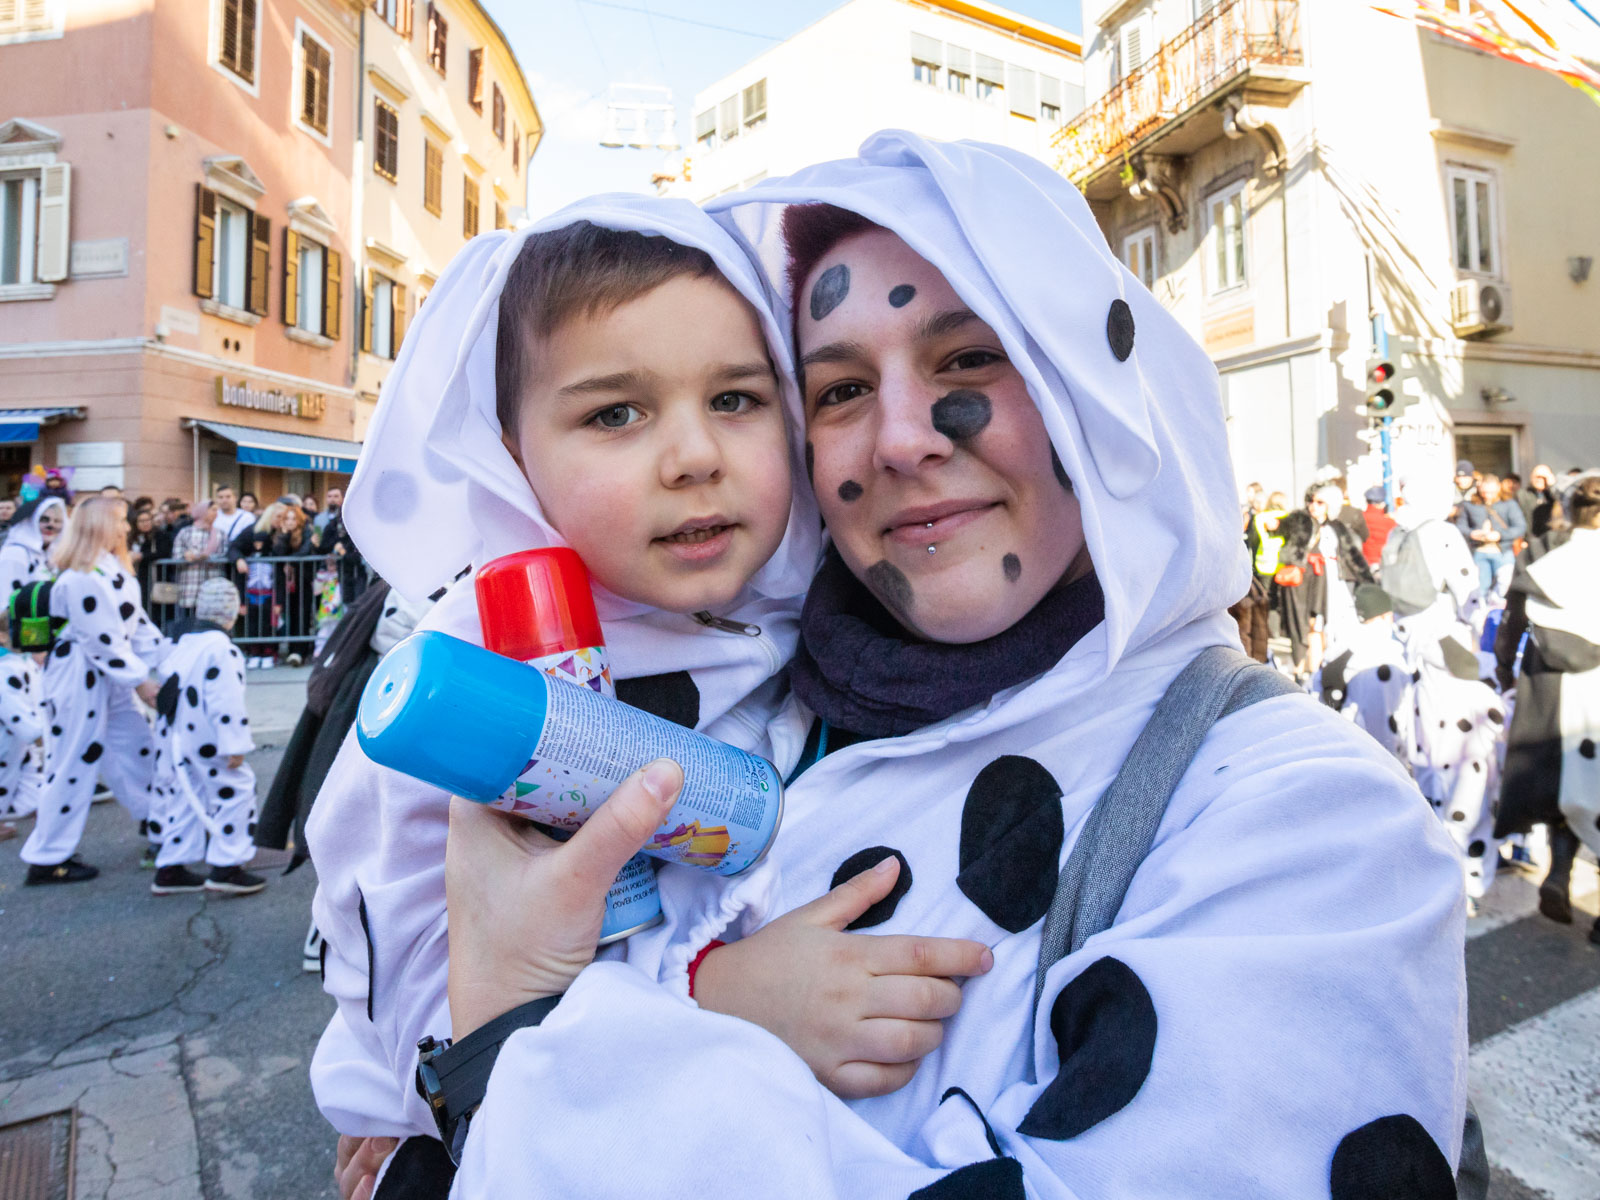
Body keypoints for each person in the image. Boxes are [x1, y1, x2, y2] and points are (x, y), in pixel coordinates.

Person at [413, 136, 1468, 1200]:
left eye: (968, 360)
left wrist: (517, 1040)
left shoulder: (1300, 811)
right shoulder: (747, 715)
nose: (901, 440)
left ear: (1090, 388)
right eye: (837, 391)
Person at [307, 202, 825, 1188]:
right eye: (614, 414)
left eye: (737, 399)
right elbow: (398, 941)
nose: (693, 456)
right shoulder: (477, 673)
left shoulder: (810, 619)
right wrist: (711, 993)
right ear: (508, 451)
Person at [19, 498, 166, 883]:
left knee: (137, 747)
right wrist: (143, 681)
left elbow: (137, 628)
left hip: (108, 677)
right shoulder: (82, 576)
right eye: (119, 521)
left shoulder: (113, 568)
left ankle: (158, 821)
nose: (127, 528)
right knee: (72, 763)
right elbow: (103, 640)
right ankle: (47, 857)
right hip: (78, 677)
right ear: (99, 525)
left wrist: (170, 660)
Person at [1494, 470, 1600, 944]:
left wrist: (1504, 668)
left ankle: (1559, 871)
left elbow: (1512, 617)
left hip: (1552, 684)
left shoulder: (1542, 552)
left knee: (1564, 776)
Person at [146, 578, 264, 897]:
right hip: (207, 737)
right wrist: (235, 744)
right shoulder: (222, 650)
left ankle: (171, 868)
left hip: (178, 736)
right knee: (235, 790)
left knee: (186, 795)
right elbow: (226, 700)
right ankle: (228, 865)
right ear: (230, 613)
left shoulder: (182, 644)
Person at [1453, 472, 1524, 599]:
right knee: (1480, 589)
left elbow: (1520, 527)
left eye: (1491, 492)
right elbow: (1460, 526)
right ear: (1479, 489)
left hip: (1503, 551)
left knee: (1504, 588)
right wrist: (1472, 533)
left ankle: (1498, 615)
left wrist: (1499, 535)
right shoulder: (1470, 505)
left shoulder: (1508, 504)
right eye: (1485, 492)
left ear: (1498, 488)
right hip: (1479, 551)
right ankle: (1481, 615)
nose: (1488, 496)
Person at [231, 501, 283, 667]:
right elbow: (234, 548)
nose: (281, 520)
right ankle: (253, 652)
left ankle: (269, 653)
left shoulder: (281, 533)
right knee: (253, 621)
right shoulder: (253, 531)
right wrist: (239, 559)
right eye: (278, 517)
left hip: (272, 585)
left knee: (270, 622)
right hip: (251, 584)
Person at [269, 503, 316, 666]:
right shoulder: (281, 534)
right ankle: (292, 650)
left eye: (293, 518)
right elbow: (278, 553)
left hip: (303, 580)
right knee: (290, 615)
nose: (290, 522)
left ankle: (300, 651)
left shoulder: (307, 532)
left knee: (302, 615)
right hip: (286, 583)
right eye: (287, 518)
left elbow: (305, 551)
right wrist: (284, 535)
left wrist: (289, 560)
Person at [171, 501, 225, 630]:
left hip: (211, 586)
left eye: (216, 510)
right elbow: (176, 555)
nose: (215, 513)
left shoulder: (220, 534)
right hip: (189, 586)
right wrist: (185, 556)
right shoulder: (186, 532)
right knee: (188, 624)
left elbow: (223, 555)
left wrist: (205, 557)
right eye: (212, 510)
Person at [0, 496, 66, 599]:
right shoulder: (15, 553)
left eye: (57, 521)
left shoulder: (50, 554)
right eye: (44, 519)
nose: (51, 525)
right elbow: (6, 601)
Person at [128, 505, 160, 605]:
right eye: (141, 521)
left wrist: (141, 555)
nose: (145, 523)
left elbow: (162, 552)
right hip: (135, 576)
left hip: (154, 577)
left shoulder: (159, 535)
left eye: (148, 520)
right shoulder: (131, 537)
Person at [211, 485, 256, 552]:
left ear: (235, 498)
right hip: (216, 558)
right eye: (220, 497)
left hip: (240, 557)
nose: (224, 500)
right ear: (216, 500)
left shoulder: (247, 517)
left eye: (228, 497)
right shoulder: (211, 516)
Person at [1361, 484, 1396, 568]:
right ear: (1381, 503)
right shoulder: (1390, 523)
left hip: (1363, 563)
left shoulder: (1359, 518)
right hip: (1383, 563)